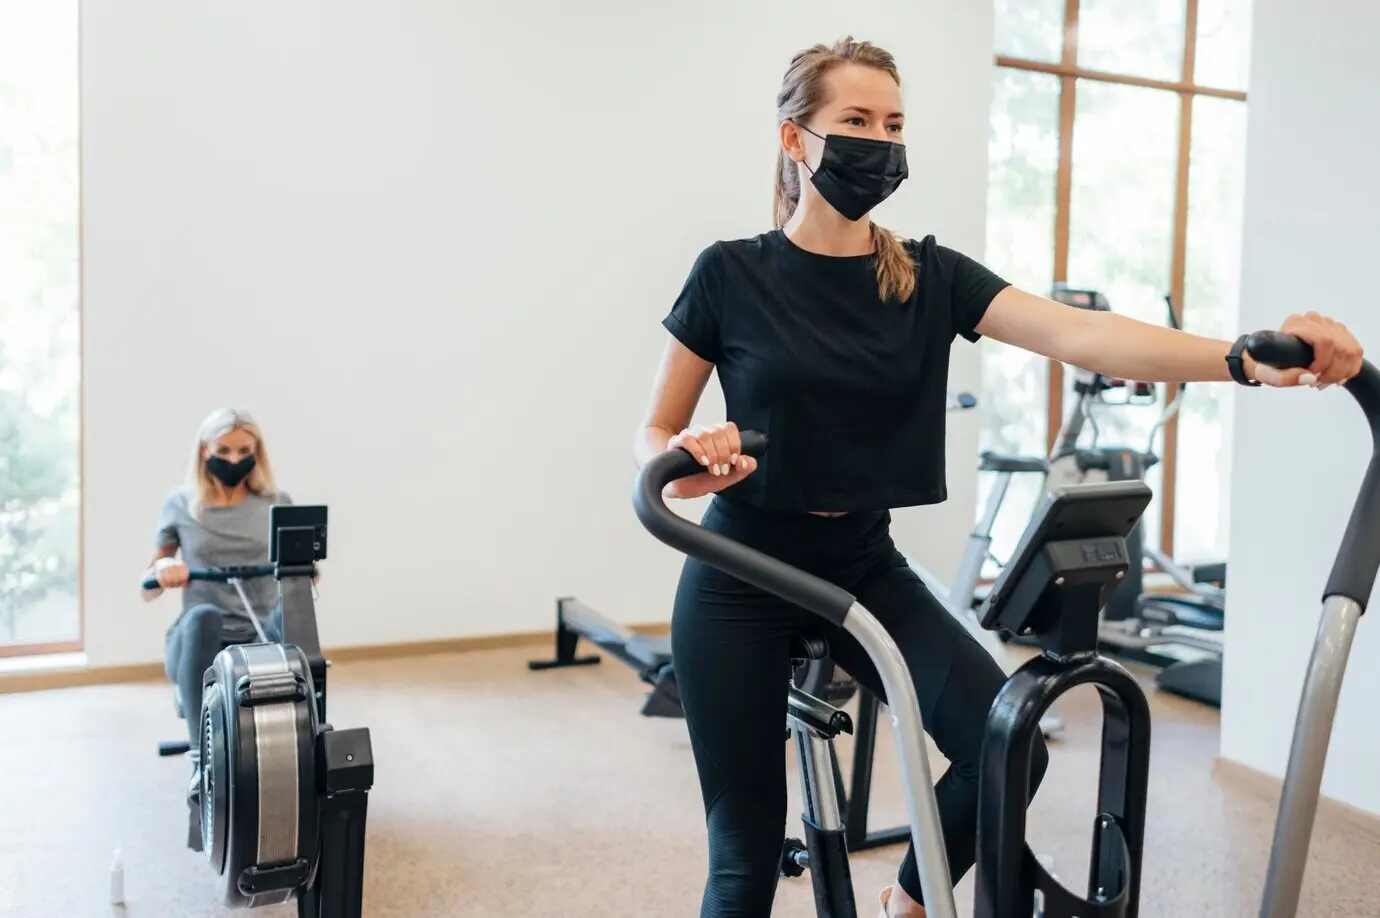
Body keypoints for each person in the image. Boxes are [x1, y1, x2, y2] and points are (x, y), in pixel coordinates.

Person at [632, 37, 1363, 918]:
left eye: (894, 124)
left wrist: (1240, 359)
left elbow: (1077, 336)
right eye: (855, 122)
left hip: (863, 565)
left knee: (1008, 743)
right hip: (740, 575)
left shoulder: (928, 276)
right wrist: (683, 471)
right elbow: (656, 432)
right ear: (796, 139)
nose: (880, 141)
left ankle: (907, 906)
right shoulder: (729, 273)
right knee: (743, 862)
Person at [141, 408, 293, 755]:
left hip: (258, 634)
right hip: (200, 639)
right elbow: (147, 586)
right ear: (204, 451)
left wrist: (306, 569)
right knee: (203, 615)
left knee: (290, 612)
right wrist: (164, 567)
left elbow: (303, 570)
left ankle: (293, 740)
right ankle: (200, 751)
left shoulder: (277, 503)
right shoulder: (180, 504)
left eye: (244, 452)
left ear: (257, 454)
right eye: (223, 451)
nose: (234, 459)